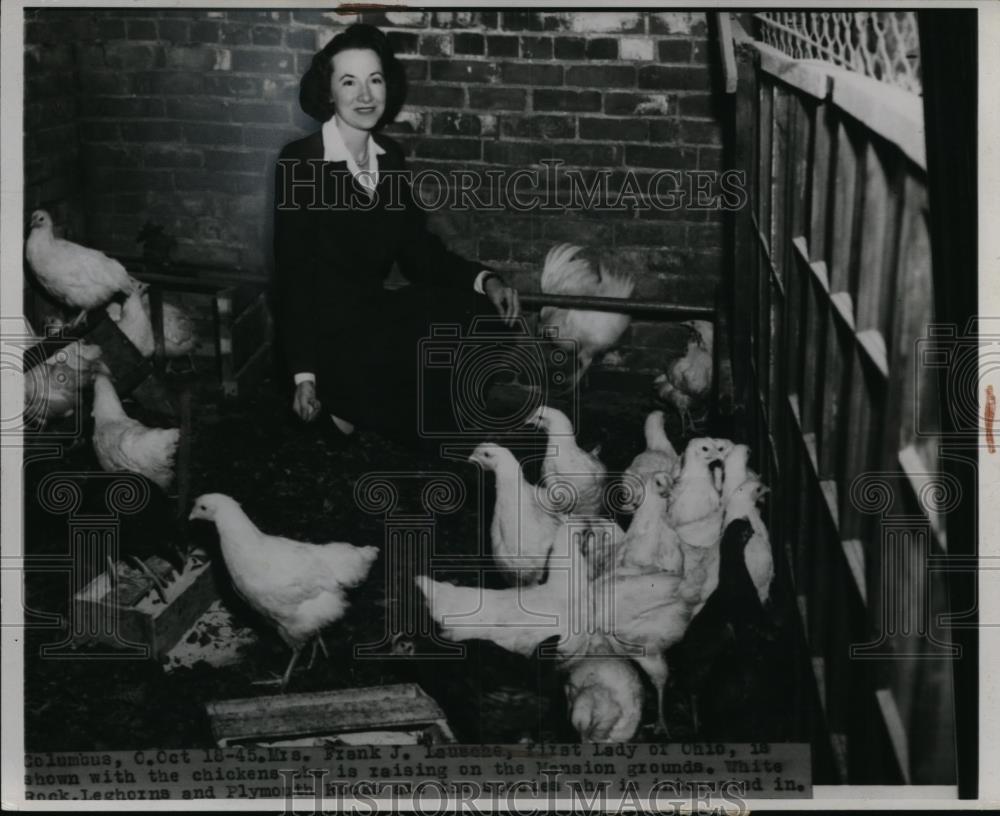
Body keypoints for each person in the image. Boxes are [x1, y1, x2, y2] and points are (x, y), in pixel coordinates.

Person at [273, 23, 523, 448]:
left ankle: (376, 412)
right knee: (426, 422)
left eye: (375, 80)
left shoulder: (389, 158)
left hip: (374, 318)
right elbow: (293, 280)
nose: (366, 96)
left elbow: (417, 252)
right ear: (328, 91)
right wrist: (304, 375)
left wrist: (486, 280)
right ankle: (343, 403)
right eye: (349, 82)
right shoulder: (301, 163)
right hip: (326, 338)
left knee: (480, 314)